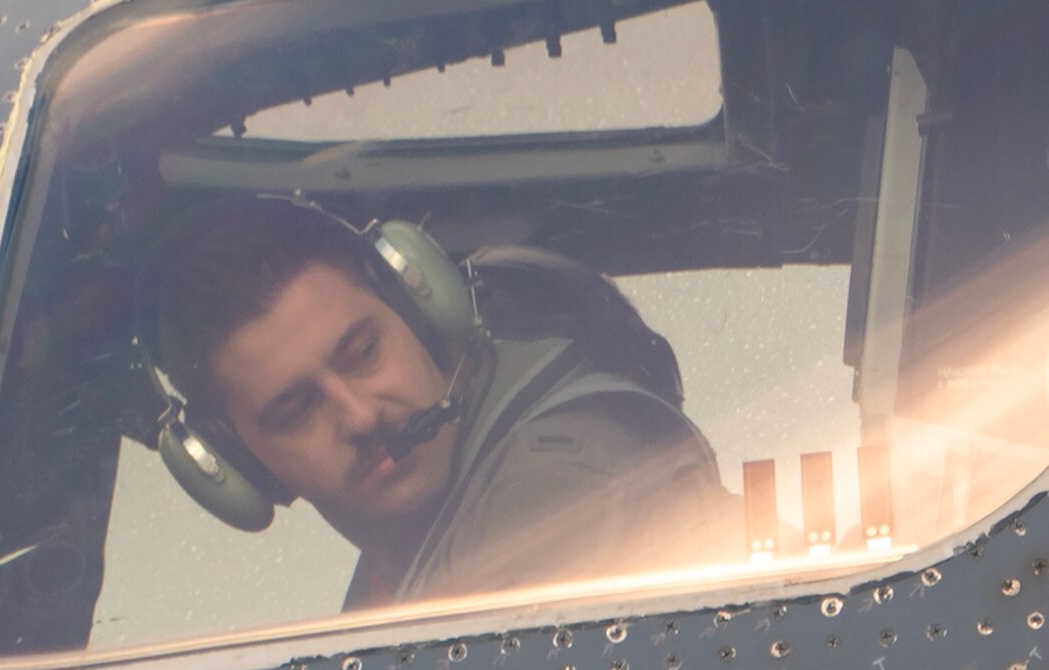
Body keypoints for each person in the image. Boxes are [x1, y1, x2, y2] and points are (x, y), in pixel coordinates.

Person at [149, 196, 735, 610]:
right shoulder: (407, 559)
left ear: (422, 314)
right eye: (297, 410)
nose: (359, 416)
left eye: (361, 354)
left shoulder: (566, 484)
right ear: (244, 465)